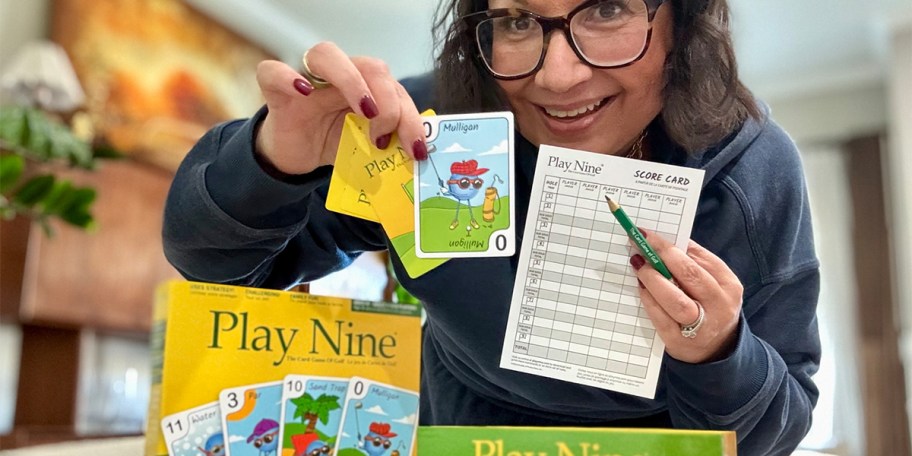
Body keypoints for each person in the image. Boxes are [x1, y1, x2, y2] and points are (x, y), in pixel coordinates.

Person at [162, 0, 821, 455]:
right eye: (515, 20)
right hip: (450, 426)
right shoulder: (418, 128)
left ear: (683, 21)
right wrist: (271, 163)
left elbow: (773, 431)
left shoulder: (754, 171)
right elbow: (218, 267)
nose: (558, 76)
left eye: (609, 9)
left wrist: (720, 351)